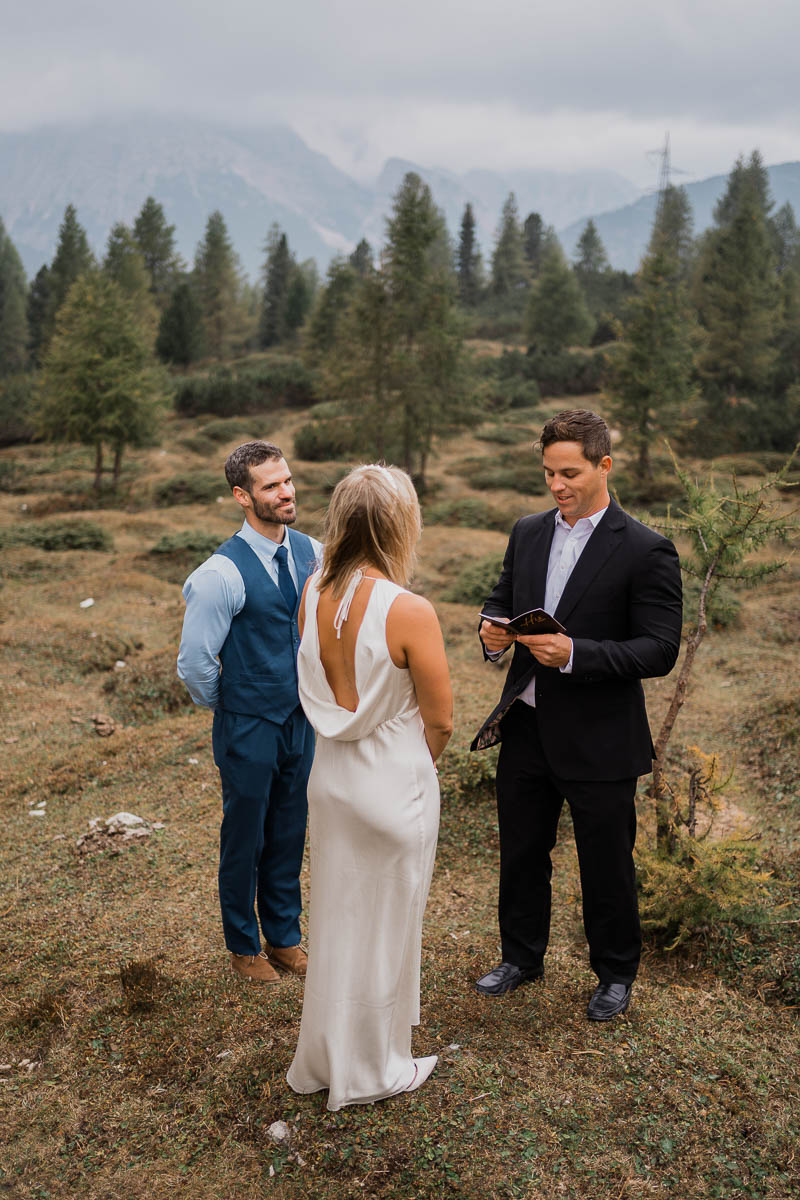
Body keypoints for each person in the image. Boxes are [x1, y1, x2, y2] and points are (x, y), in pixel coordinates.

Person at [471, 410, 682, 1020]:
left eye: (570, 473)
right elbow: (502, 598)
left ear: (604, 466)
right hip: (528, 726)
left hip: (601, 738)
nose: (557, 485)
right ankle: (521, 957)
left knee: (606, 861)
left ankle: (615, 975)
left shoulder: (646, 549)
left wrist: (575, 654)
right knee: (522, 850)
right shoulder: (528, 531)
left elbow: (660, 649)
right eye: (548, 473)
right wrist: (491, 633)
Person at [286, 464, 453, 1110]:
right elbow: (439, 720)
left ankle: (327, 1054)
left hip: (330, 780)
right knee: (386, 927)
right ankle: (377, 1067)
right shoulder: (410, 610)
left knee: (336, 918)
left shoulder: (310, 593)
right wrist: (413, 771)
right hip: (392, 784)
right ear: (399, 524)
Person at [177, 441, 321, 984]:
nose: (286, 492)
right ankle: (243, 946)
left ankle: (284, 937)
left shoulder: (315, 552)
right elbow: (194, 664)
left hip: (302, 720)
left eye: (287, 480)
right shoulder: (219, 574)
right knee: (246, 834)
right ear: (242, 496)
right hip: (248, 723)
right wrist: (236, 703)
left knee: (289, 828)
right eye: (270, 485)